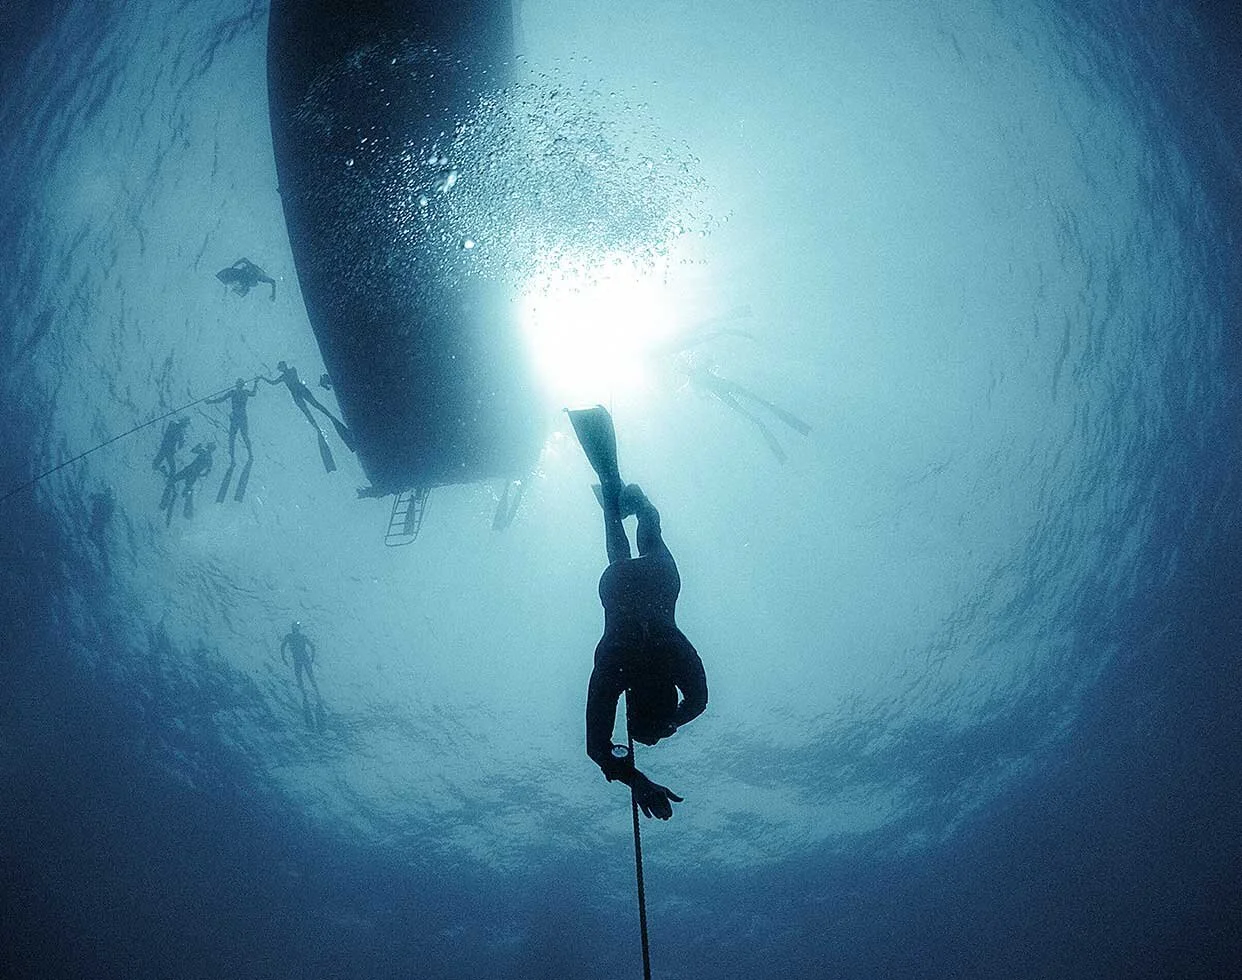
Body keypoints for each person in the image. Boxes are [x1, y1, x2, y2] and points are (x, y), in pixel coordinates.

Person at [570, 405, 708, 820]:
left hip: (659, 583)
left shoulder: (674, 661)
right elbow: (596, 749)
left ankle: (641, 505)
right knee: (618, 561)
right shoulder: (615, 669)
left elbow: (698, 702)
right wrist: (637, 780)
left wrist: (675, 721)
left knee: (651, 537)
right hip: (618, 590)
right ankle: (611, 500)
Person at [264, 360, 356, 472]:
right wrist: (264, 378)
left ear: (282, 368)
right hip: (300, 391)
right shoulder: (291, 371)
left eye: (281, 367)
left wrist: (262, 378)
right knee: (314, 408)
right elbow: (275, 382)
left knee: (311, 410)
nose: (281, 369)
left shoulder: (286, 375)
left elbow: (273, 383)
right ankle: (326, 422)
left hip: (298, 393)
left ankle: (322, 426)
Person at [280, 620, 324, 730]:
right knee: (301, 677)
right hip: (300, 659)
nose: (296, 628)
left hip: (303, 658)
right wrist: (283, 658)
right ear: (293, 627)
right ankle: (307, 695)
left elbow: (312, 646)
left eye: (297, 626)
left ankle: (314, 694)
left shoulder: (297, 636)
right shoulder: (291, 636)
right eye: (295, 626)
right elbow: (283, 647)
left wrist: (312, 657)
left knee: (308, 677)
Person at [205, 378, 259, 462]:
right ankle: (249, 455)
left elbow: (221, 399)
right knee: (243, 436)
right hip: (242, 417)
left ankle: (235, 458)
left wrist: (210, 401)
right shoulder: (244, 392)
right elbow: (254, 393)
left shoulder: (233, 392)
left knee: (232, 438)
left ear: (237, 384)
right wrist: (255, 383)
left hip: (235, 417)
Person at [160, 442, 214, 522]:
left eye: (208, 446)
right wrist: (199, 474)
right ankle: (187, 511)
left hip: (189, 470)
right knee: (186, 490)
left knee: (176, 482)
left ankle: (167, 502)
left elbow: (193, 450)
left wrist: (197, 446)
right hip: (192, 473)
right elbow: (207, 472)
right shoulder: (210, 459)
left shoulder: (204, 452)